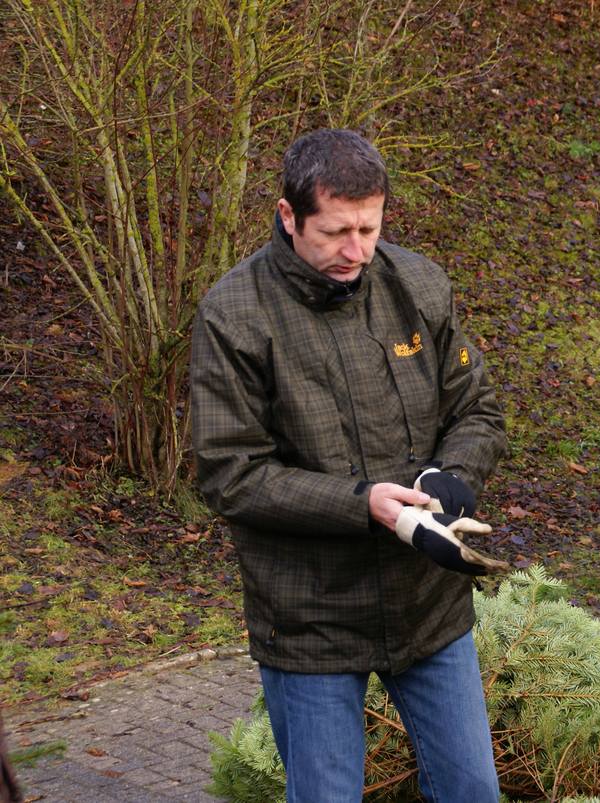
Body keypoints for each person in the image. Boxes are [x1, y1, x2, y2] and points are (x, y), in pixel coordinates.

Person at [191, 129, 507, 802]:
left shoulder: (416, 283)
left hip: (427, 604)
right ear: (288, 217)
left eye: (369, 227)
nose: (356, 250)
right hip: (308, 619)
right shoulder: (234, 313)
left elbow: (477, 407)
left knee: (474, 789)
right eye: (335, 232)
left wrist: (447, 480)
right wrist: (363, 503)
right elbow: (231, 472)